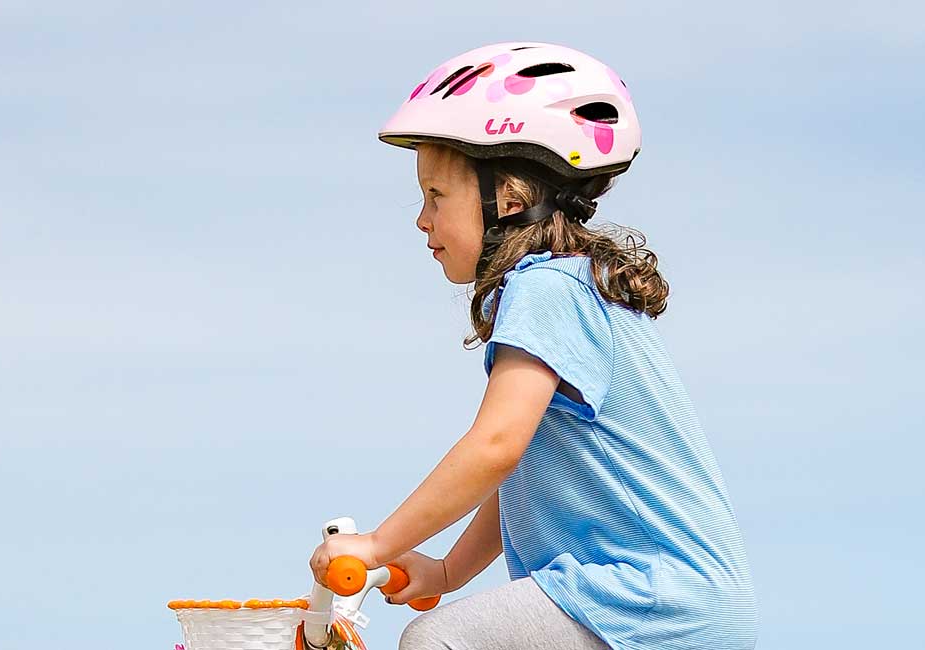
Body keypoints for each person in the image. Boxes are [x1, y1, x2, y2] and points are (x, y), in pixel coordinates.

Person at [309, 41, 758, 650]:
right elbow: (526, 470)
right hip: (684, 604)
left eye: (437, 196)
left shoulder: (544, 289)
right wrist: (447, 571)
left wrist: (377, 543)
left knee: (437, 641)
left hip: (646, 599)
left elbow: (494, 447)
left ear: (510, 199)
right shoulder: (572, 288)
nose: (422, 218)